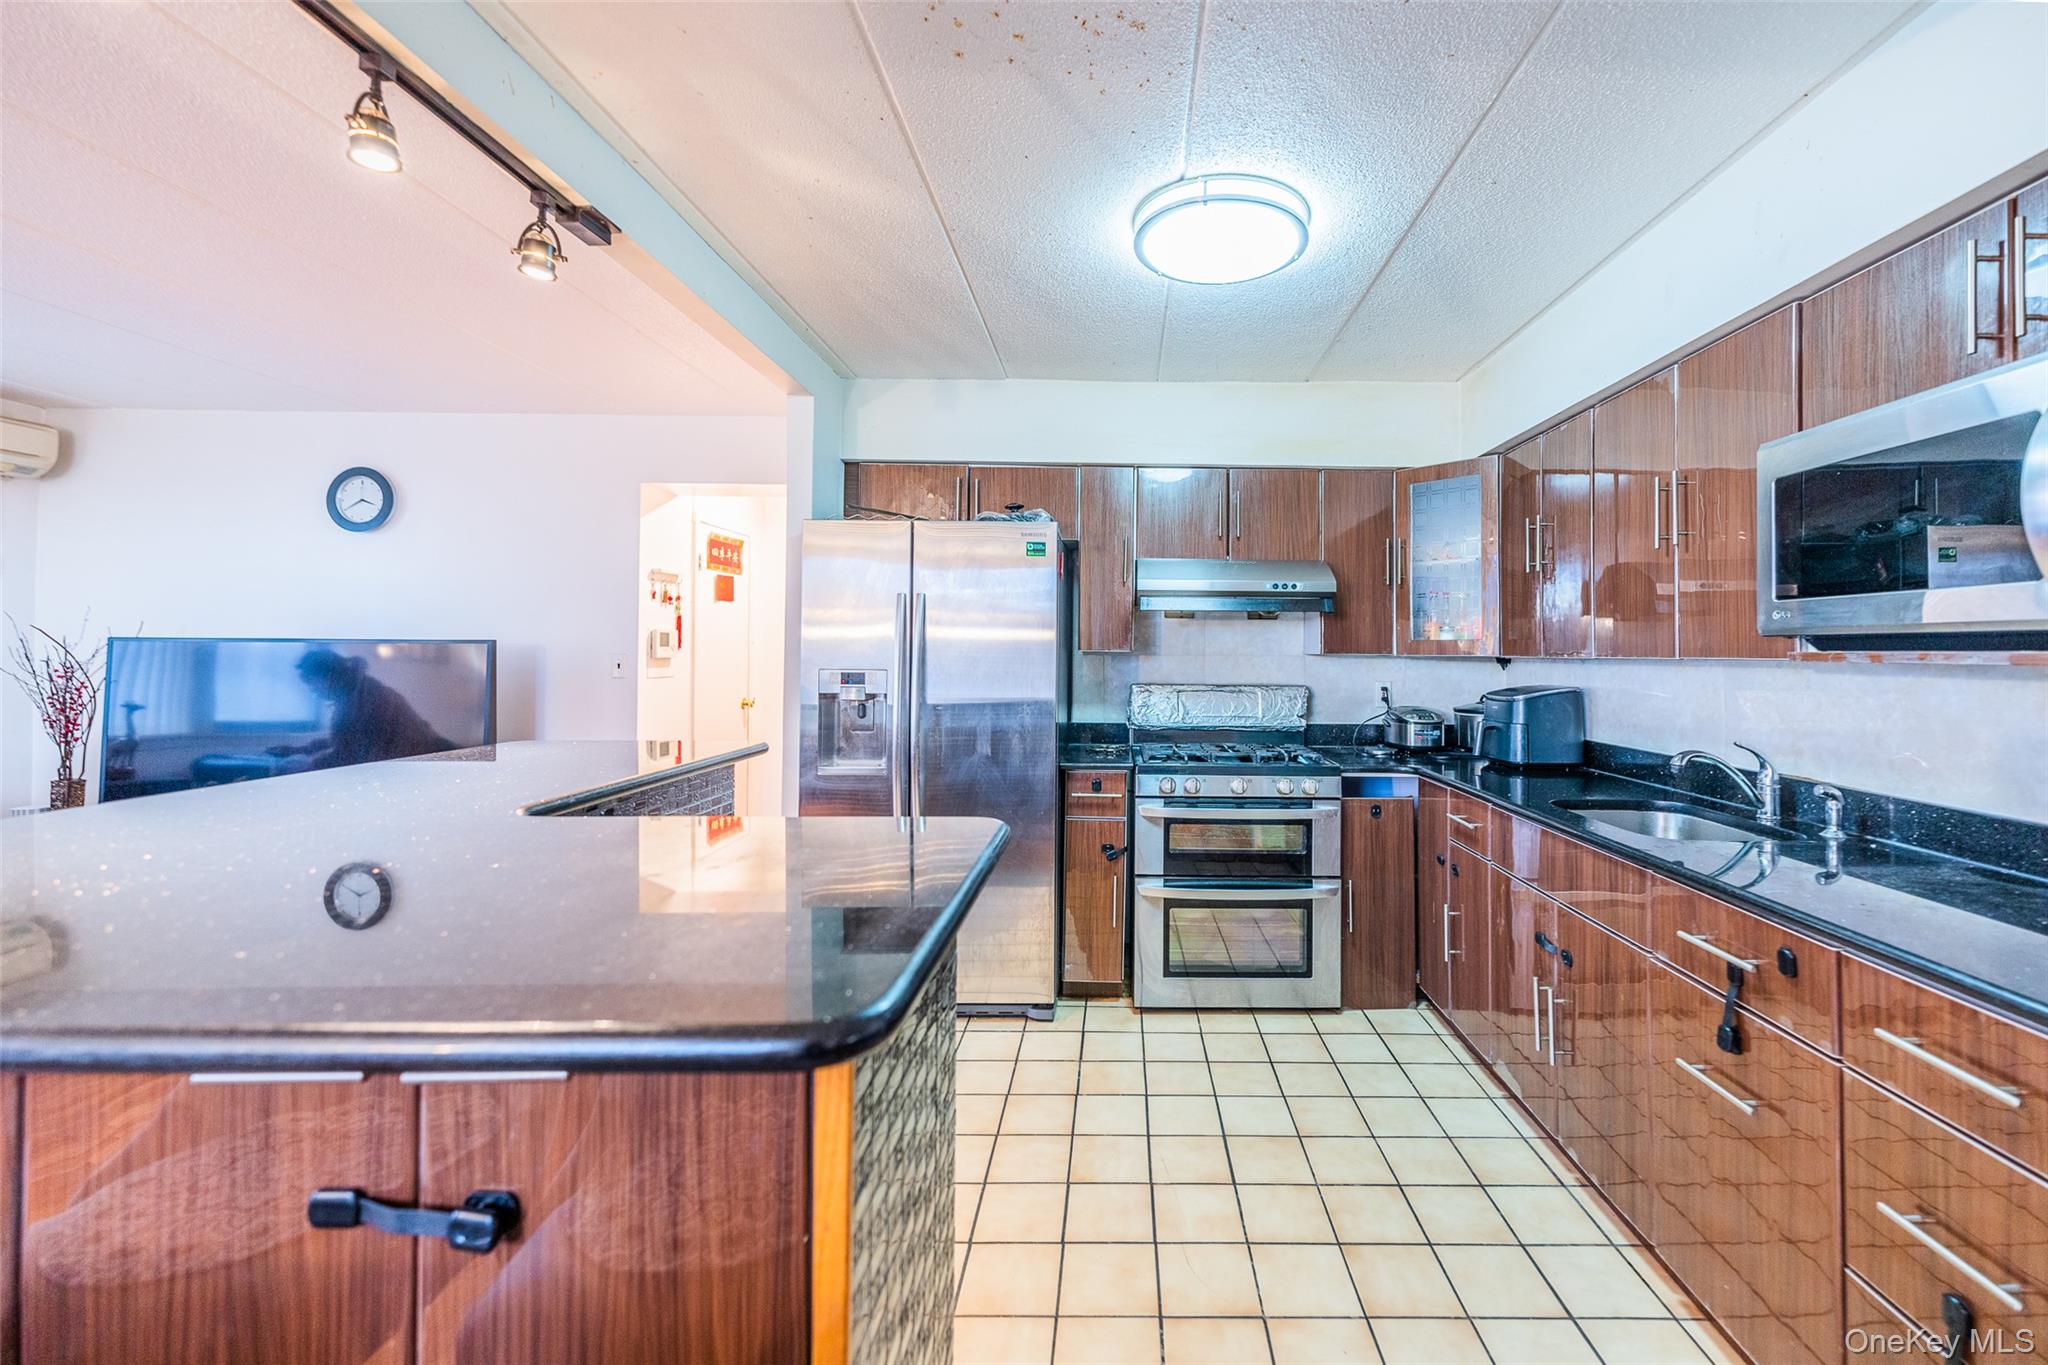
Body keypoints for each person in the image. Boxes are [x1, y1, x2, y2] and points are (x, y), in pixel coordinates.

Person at [267, 648, 453, 770]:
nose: (313, 690)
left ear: (328, 676)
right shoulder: (357, 691)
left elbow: (349, 754)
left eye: (313, 684)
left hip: (425, 764)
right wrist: (300, 750)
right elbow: (351, 738)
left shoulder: (363, 700)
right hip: (424, 757)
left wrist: (306, 766)